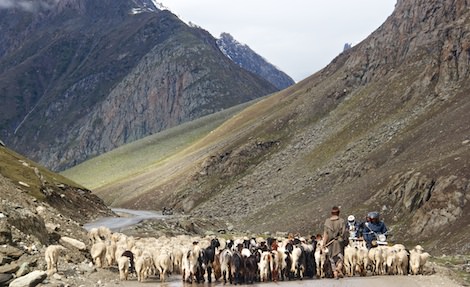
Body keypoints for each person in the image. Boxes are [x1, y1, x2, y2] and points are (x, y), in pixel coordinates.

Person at [322, 206, 347, 279]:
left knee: (332, 259)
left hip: (330, 243)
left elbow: (325, 234)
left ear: (331, 213)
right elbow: (343, 233)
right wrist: (344, 240)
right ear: (338, 213)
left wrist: (324, 243)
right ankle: (338, 268)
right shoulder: (341, 221)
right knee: (340, 258)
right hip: (339, 243)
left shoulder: (327, 222)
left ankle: (335, 274)